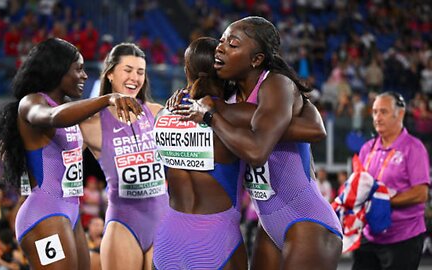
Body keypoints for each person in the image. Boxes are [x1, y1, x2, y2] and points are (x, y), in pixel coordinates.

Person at [174, 16, 343, 270]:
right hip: (268, 223)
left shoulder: (276, 83)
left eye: (233, 44)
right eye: (222, 41)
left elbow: (256, 151)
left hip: (307, 219)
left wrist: (211, 117)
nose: (221, 48)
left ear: (256, 59)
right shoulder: (228, 95)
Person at [0, 38, 142, 270]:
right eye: (78, 69)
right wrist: (106, 99)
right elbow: (53, 117)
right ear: (58, 70)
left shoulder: (70, 110)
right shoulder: (32, 102)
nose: (84, 76)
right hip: (43, 214)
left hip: (69, 211)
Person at [79, 43, 168, 270]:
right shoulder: (90, 124)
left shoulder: (157, 113)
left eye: (140, 72)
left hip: (164, 221)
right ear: (110, 73)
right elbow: (57, 158)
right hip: (123, 224)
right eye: (127, 70)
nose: (134, 78)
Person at [353, 91, 430, 270]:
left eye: (383, 112)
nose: (377, 117)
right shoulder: (367, 149)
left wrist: (385, 201)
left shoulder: (414, 148)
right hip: (370, 235)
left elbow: (421, 194)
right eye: (374, 112)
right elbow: (360, 186)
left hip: (403, 238)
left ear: (400, 114)